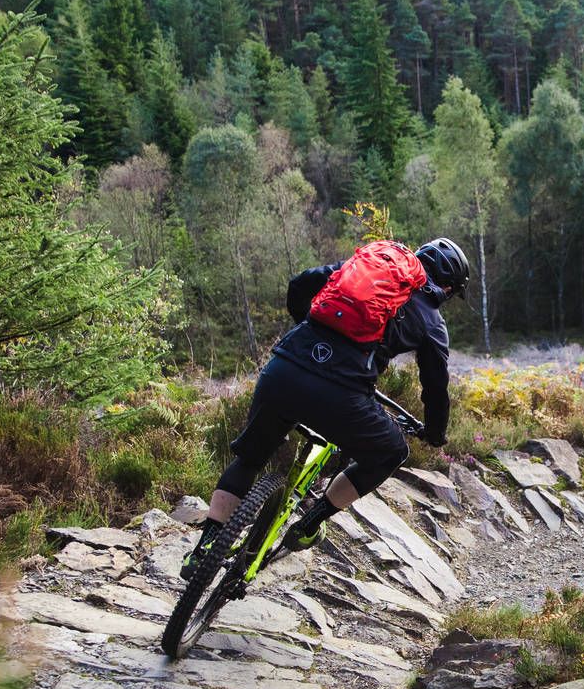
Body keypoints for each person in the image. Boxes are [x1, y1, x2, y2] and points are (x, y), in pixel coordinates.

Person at [189, 237, 470, 568]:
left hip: (286, 367)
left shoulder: (362, 270)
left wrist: (307, 324)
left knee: (249, 459)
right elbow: (436, 387)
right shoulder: (432, 321)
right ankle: (310, 524)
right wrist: (434, 433)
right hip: (342, 394)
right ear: (447, 288)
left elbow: (300, 283)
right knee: (392, 452)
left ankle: (204, 549)